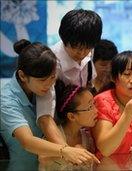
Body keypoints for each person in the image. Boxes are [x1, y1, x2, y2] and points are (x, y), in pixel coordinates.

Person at [0, 39, 99, 170]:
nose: (49, 84)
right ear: (22, 76)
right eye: (42, 80)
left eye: (53, 77)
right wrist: (66, 150)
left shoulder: (42, 88)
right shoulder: (6, 100)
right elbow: (27, 141)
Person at [36, 9, 102, 147]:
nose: (82, 53)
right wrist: (65, 150)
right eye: (76, 48)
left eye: (87, 48)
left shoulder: (88, 52)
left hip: (80, 129)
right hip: (55, 131)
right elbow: (45, 116)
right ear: (64, 39)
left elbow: (90, 86)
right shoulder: (51, 63)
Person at [39, 81, 99, 169]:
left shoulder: (87, 138)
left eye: (94, 104)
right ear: (71, 116)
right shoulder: (53, 136)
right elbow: (42, 157)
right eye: (90, 107)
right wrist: (72, 152)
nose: (96, 111)